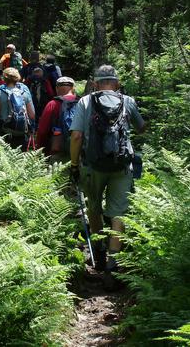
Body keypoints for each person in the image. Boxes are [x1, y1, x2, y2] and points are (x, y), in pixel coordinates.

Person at [69, 65, 145, 288]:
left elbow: (76, 136)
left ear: (95, 83)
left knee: (93, 206)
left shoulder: (85, 102)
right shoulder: (127, 101)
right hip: (121, 166)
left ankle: (99, 251)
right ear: (117, 82)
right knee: (118, 213)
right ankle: (113, 264)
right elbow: (141, 128)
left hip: (92, 166)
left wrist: (74, 165)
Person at [0, 67, 35, 150]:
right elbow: (32, 115)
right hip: (21, 133)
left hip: (4, 133)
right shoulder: (24, 94)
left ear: (4, 78)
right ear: (17, 78)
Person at [36, 76, 77, 163]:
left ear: (57, 88)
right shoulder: (82, 103)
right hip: (79, 151)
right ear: (73, 88)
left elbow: (42, 131)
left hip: (57, 150)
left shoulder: (53, 104)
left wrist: (40, 151)